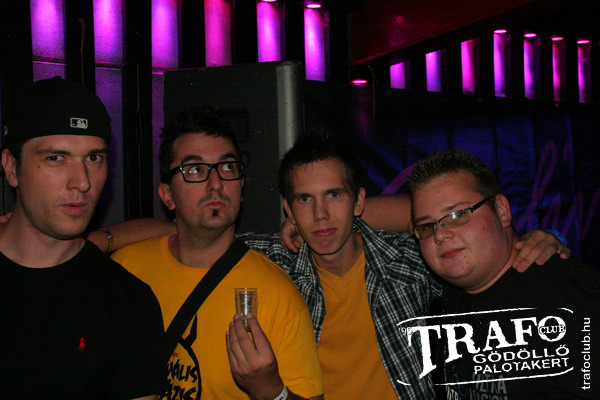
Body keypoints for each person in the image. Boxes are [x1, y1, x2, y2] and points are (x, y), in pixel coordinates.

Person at [90, 127, 567, 400]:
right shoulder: (271, 261)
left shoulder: (410, 261)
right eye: (305, 200)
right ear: (288, 209)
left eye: (334, 196)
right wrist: (96, 240)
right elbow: (188, 229)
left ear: (358, 200)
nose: (320, 215)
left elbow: (444, 220)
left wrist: (534, 239)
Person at [111, 107, 323, 400]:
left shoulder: (277, 294)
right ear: (167, 195)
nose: (216, 183)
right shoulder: (125, 269)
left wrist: (272, 391)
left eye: (227, 167)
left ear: (242, 189)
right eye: (195, 170)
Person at [0, 77, 165, 399]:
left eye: (94, 158)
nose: (82, 182)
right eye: (55, 158)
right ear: (11, 167)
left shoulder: (128, 302)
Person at [408, 148, 599, 399]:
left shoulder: (576, 300)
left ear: (501, 210)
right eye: (427, 226)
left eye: (458, 214)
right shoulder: (443, 294)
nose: (440, 234)